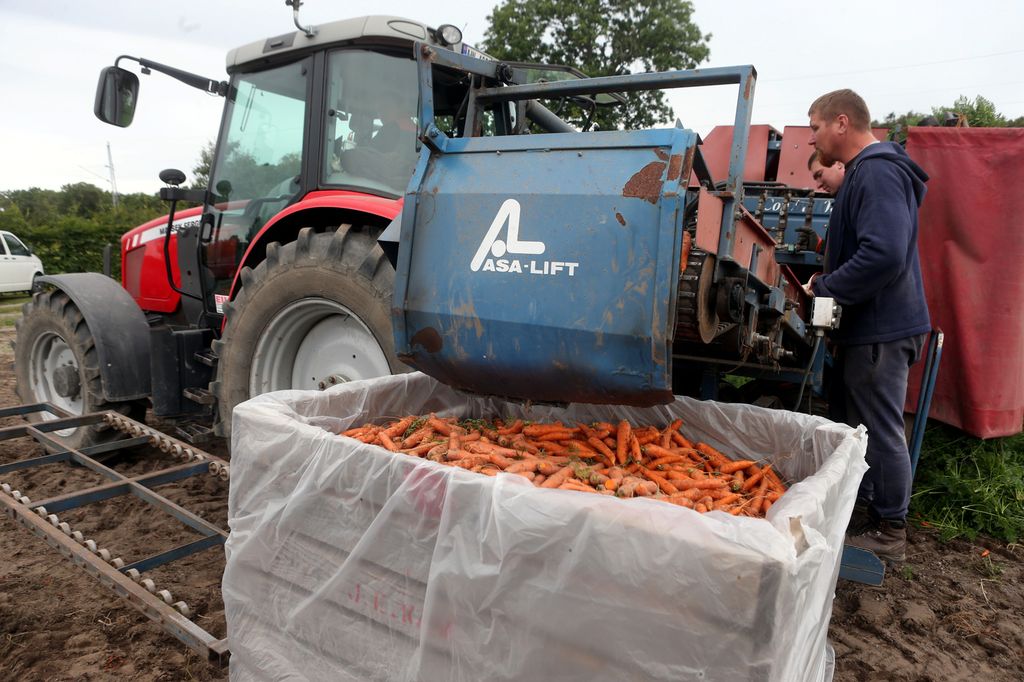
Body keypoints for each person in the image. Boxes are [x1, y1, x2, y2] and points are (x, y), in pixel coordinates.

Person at [805, 89, 931, 562]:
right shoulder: (868, 173)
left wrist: (827, 287)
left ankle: (890, 532)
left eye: (815, 126)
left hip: (882, 328)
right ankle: (864, 512)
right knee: (859, 426)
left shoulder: (876, 172)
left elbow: (883, 253)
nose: (812, 136)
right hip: (872, 327)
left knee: (878, 428)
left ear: (841, 123)